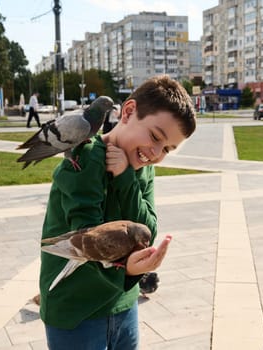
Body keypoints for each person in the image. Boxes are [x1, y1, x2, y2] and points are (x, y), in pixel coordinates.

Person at [38, 75, 196, 350]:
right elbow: (88, 240)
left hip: (123, 303)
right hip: (75, 311)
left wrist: (126, 177)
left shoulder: (142, 168)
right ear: (129, 111)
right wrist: (126, 270)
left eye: (167, 149)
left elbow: (147, 230)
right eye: (155, 136)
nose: (156, 152)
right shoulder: (84, 159)